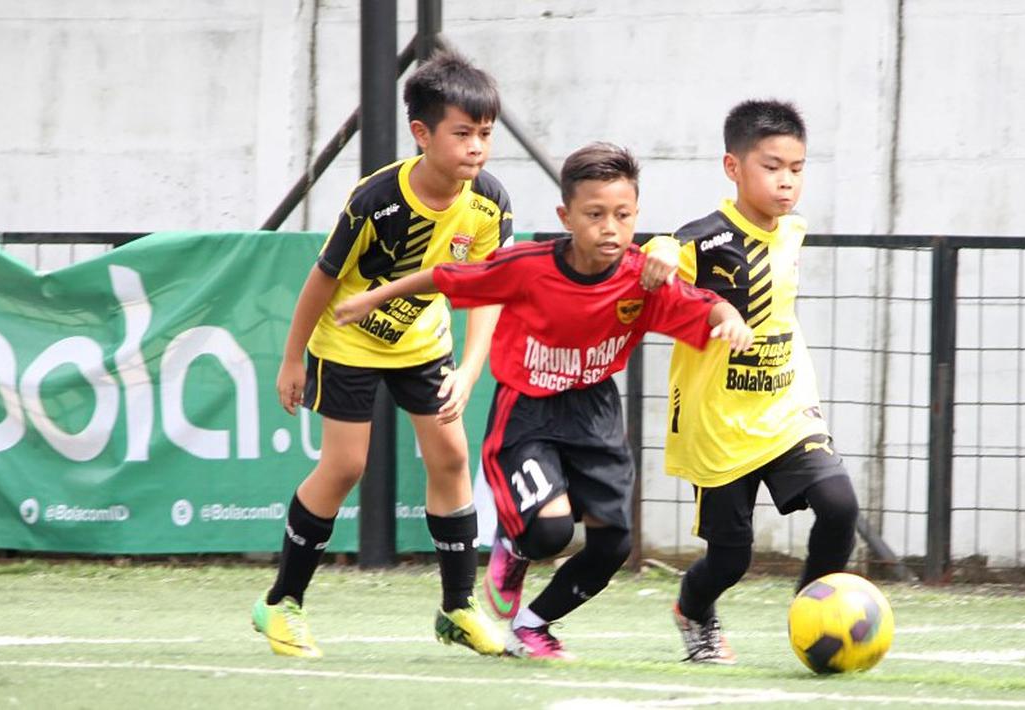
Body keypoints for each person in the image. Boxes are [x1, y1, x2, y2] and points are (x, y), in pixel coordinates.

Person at [335, 142, 754, 660]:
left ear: (636, 216)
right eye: (594, 214)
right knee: (550, 531)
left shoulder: (642, 279)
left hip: (596, 414)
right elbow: (446, 277)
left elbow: (701, 305)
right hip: (528, 412)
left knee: (613, 545)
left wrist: (728, 318)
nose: (609, 228)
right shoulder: (528, 266)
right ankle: (516, 546)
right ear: (566, 216)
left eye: (622, 216)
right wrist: (371, 298)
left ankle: (534, 625)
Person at [251, 50, 511, 659]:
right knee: (345, 466)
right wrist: (293, 360)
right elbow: (321, 279)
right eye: (463, 133)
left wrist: (471, 369)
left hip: (424, 343)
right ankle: (280, 603)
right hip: (347, 343)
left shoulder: (490, 201)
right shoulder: (376, 199)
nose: (477, 147)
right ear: (422, 134)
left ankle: (457, 608)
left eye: (486, 135)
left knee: (450, 455)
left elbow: (488, 288)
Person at [640, 100, 860, 665]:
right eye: (771, 167)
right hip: (718, 424)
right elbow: (662, 250)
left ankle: (815, 614)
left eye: (797, 168)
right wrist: (661, 250)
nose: (787, 182)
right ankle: (693, 607)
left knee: (839, 505)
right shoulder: (706, 240)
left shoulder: (793, 231)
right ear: (733, 168)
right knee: (731, 558)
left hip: (786, 407)